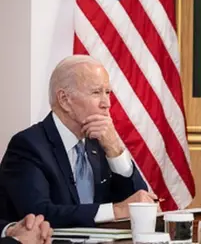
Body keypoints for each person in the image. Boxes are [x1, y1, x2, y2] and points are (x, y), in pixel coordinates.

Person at [0, 55, 156, 228]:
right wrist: (115, 211)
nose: (107, 103)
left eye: (108, 92)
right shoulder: (28, 146)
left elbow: (138, 205)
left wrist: (115, 150)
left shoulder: (99, 142)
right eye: (96, 92)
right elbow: (37, 215)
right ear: (65, 100)